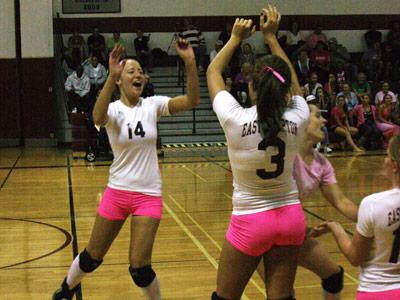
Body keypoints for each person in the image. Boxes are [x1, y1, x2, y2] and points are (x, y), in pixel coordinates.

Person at [52, 38, 200, 300]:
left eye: (141, 71)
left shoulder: (152, 105)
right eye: (132, 71)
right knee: (92, 257)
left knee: (140, 269)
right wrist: (111, 76)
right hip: (117, 192)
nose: (138, 75)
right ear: (120, 79)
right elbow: (96, 118)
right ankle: (66, 289)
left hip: (148, 195)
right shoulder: (113, 110)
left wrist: (189, 62)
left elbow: (191, 101)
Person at [207, 6, 309, 299]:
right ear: (284, 91)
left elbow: (213, 71)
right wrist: (272, 37)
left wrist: (235, 38)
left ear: (251, 88)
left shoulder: (235, 120)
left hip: (251, 220)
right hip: (290, 217)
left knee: (224, 297)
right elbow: (295, 87)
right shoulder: (298, 115)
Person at [258, 103, 358, 300]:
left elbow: (341, 201)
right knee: (283, 295)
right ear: (301, 120)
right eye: (318, 115)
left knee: (334, 276)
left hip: (291, 232)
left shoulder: (322, 163)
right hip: (265, 233)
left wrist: (374, 218)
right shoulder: (283, 155)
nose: (324, 120)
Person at [313, 134, 400, 300]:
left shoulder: (373, 204)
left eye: (388, 155)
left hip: (376, 290)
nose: (384, 160)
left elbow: (355, 257)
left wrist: (335, 228)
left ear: (395, 165)